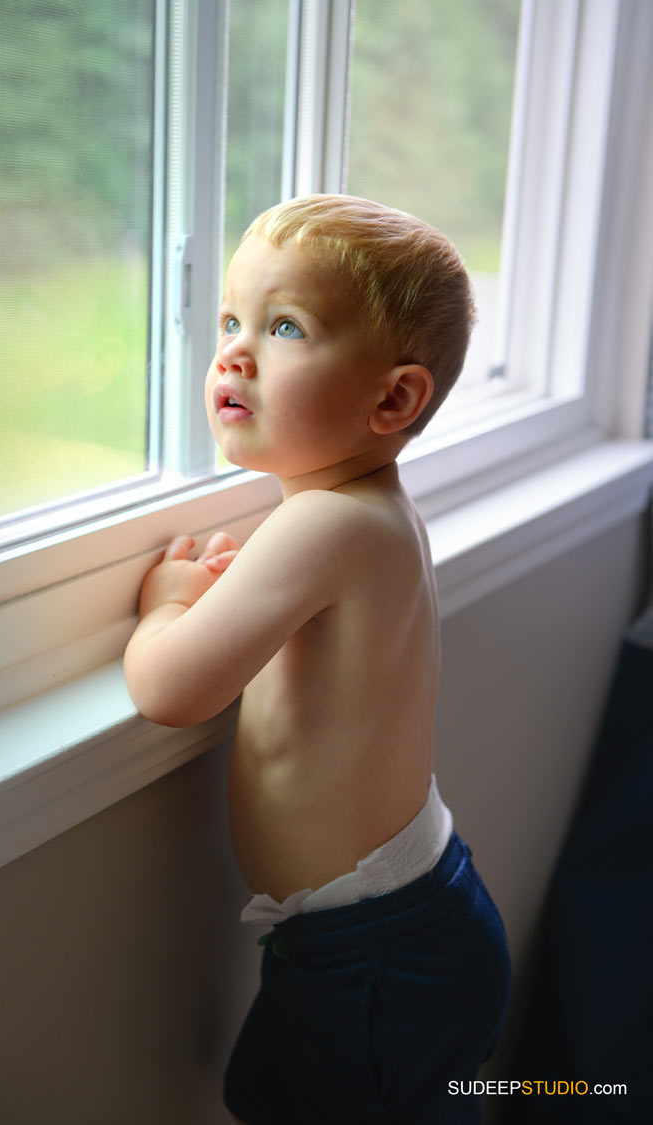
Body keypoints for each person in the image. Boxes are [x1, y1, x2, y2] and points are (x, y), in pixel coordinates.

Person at [123, 194, 511, 1124]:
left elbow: (171, 688)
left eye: (285, 326)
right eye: (230, 319)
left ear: (394, 398)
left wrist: (168, 605)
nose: (234, 351)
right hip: (408, 921)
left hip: (373, 950)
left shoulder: (324, 524)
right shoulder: (367, 512)